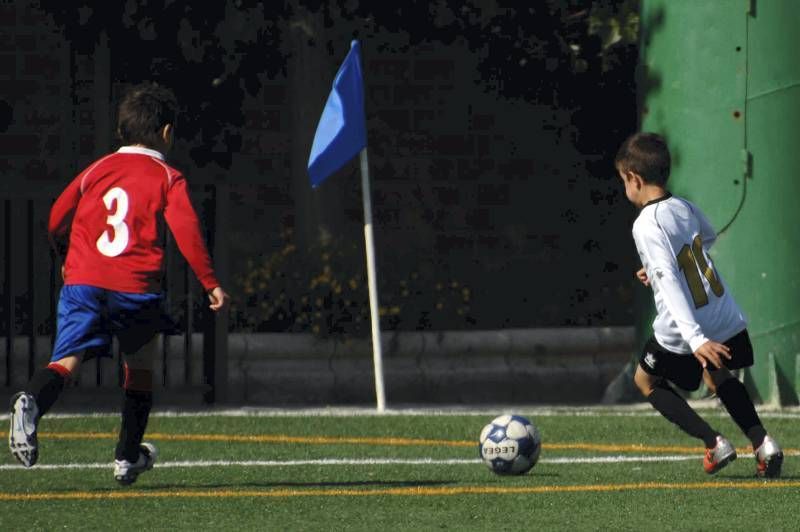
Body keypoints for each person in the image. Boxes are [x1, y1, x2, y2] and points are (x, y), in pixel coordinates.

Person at [8, 82, 229, 485]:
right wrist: (209, 280)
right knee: (140, 366)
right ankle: (127, 458)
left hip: (84, 283)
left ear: (121, 133)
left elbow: (57, 217)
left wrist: (65, 257)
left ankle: (32, 403)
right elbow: (186, 228)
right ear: (166, 134)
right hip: (136, 287)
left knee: (66, 361)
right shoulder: (167, 175)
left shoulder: (97, 169)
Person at [616, 132, 782, 478]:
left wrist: (695, 340)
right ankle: (764, 443)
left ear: (634, 178)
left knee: (645, 380)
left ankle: (713, 442)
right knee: (717, 375)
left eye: (623, 181)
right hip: (722, 313)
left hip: (685, 326)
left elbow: (671, 283)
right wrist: (660, 268)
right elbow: (705, 237)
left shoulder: (645, 224)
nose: (625, 188)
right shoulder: (684, 206)